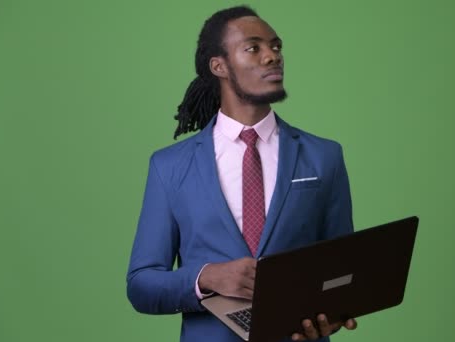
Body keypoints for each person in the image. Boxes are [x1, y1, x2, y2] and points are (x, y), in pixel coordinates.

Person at [126, 6, 357, 342]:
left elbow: (343, 272)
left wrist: (332, 315)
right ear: (219, 65)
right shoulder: (169, 166)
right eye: (254, 48)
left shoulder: (324, 156)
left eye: (276, 47)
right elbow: (141, 284)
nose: (272, 57)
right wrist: (205, 277)